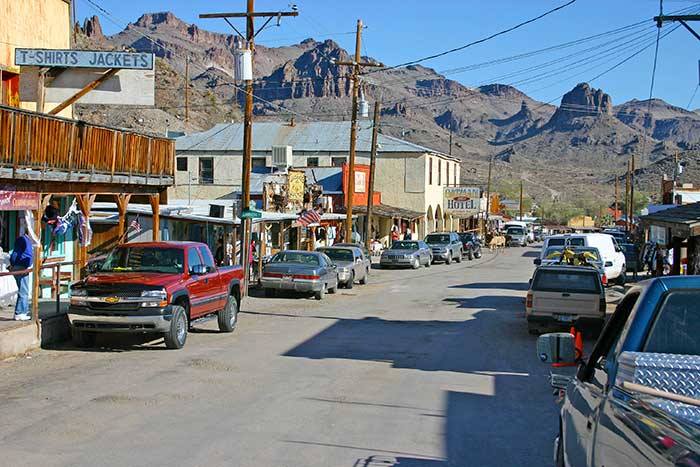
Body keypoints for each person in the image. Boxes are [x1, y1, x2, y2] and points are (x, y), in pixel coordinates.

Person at [10, 231, 33, 321]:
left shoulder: (29, 241)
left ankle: (23, 310)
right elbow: (15, 253)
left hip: (24, 266)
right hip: (20, 266)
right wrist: (13, 264)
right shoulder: (23, 239)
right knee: (23, 290)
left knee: (24, 290)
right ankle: (19, 313)